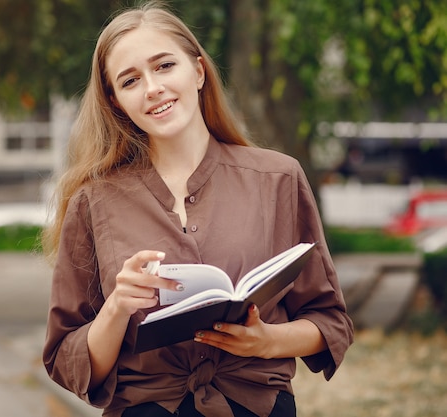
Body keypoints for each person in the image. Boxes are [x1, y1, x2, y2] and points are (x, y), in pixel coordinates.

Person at [42, 2, 354, 416]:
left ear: (199, 71)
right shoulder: (93, 201)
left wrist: (268, 341)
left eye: (164, 65)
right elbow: (67, 358)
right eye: (130, 80)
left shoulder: (279, 178)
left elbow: (331, 323)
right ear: (116, 101)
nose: (152, 87)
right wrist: (118, 306)